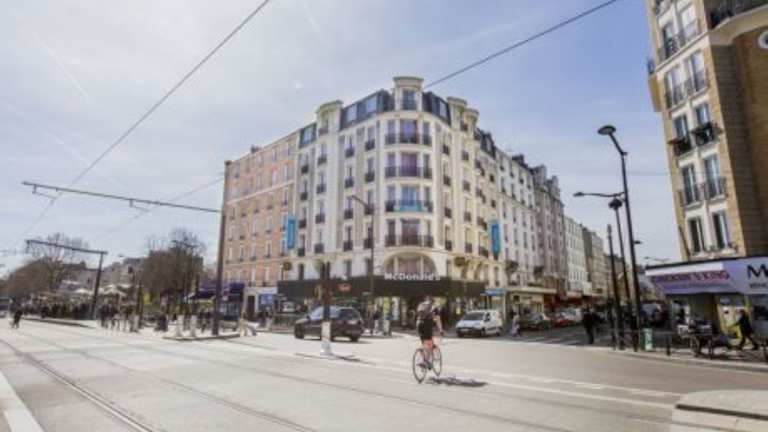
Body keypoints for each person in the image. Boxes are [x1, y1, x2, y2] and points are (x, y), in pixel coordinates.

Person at [416, 297, 443, 367]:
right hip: (427, 325)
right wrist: (441, 330)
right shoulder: (434, 307)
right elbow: (438, 320)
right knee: (430, 343)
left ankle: (422, 355)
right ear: (433, 301)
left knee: (424, 342)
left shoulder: (422, 304)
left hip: (419, 324)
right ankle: (425, 362)